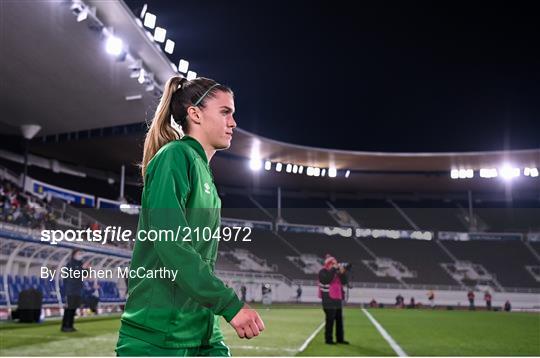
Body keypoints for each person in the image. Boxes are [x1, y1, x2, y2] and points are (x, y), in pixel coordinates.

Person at [116, 76, 265, 356]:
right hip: (159, 336)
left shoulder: (201, 168)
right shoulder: (175, 156)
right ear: (195, 114)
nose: (233, 122)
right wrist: (229, 304)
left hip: (200, 329)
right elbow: (172, 244)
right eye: (225, 112)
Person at [318, 255, 349, 345]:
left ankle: (340, 339)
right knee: (330, 319)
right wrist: (334, 269)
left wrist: (343, 273)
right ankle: (328, 339)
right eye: (333, 263)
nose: (335, 265)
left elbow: (344, 282)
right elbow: (327, 280)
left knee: (339, 320)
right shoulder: (322, 271)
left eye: (336, 263)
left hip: (337, 298)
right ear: (328, 264)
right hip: (328, 299)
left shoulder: (337, 272)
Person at [61, 249, 86, 332]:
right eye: (79, 253)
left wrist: (86, 269)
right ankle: (65, 326)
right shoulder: (70, 264)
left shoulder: (80, 264)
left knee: (73, 309)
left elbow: (83, 275)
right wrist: (83, 269)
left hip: (77, 290)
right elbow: (75, 275)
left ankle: (70, 325)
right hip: (71, 289)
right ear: (74, 254)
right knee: (69, 308)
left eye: (81, 253)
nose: (81, 255)